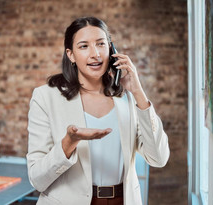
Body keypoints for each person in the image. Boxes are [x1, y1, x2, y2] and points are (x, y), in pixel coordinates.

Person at [26, 17, 170, 205]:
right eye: (84, 46)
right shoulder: (46, 97)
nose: (95, 54)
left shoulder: (127, 97)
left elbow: (158, 158)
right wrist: (69, 143)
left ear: (111, 49)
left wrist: (138, 92)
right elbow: (37, 179)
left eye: (101, 44)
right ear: (70, 55)